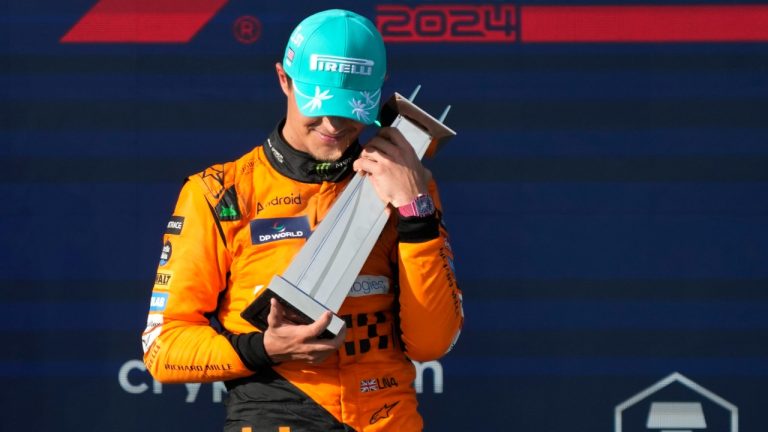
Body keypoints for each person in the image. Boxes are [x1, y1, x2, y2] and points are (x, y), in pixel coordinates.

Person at [141, 9, 462, 431]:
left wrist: (415, 211)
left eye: (348, 110)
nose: (332, 125)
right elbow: (163, 348)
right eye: (319, 106)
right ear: (283, 79)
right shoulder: (220, 193)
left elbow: (432, 343)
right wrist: (264, 348)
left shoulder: (406, 183)